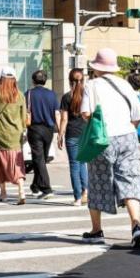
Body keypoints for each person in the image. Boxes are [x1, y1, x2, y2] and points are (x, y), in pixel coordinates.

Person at [79, 49, 140, 248]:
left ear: (96, 67)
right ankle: (136, 225)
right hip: (127, 136)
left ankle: (96, 230)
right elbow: (138, 116)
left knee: (98, 180)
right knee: (130, 179)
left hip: (103, 138)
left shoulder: (91, 85)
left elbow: (85, 113)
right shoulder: (125, 84)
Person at [0, 67, 29, 203]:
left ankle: (3, 193)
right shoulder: (20, 95)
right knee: (17, 163)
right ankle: (21, 191)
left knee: (0, 164)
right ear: (14, 79)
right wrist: (22, 130)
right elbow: (23, 117)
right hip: (15, 135)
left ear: (2, 79)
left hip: (0, 133)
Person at [26, 69, 60, 200]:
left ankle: (46, 188)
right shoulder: (52, 94)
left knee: (39, 159)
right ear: (45, 81)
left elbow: (24, 113)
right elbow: (56, 113)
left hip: (34, 128)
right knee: (41, 158)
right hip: (49, 130)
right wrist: (60, 131)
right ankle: (35, 186)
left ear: (33, 81)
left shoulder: (28, 94)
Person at [58, 69, 89, 206]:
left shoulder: (66, 97)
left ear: (70, 81)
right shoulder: (87, 96)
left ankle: (77, 197)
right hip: (85, 133)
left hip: (72, 133)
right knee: (83, 163)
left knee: (74, 166)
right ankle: (86, 192)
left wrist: (60, 134)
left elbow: (64, 119)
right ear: (82, 80)